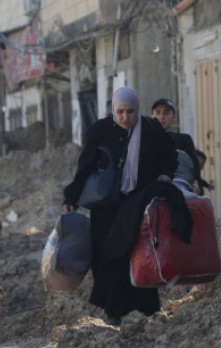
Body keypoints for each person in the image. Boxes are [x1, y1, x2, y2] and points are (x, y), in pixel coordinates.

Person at [63, 87, 179, 326]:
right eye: (120, 112)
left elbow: (170, 154)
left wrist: (166, 174)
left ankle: (146, 308)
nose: (126, 117)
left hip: (137, 202)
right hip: (106, 205)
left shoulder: (150, 129)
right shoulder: (100, 130)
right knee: (107, 255)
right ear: (113, 110)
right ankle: (112, 309)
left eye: (130, 112)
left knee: (138, 253)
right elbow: (85, 165)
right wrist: (71, 197)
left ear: (137, 110)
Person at [151, 98, 204, 195]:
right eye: (158, 112)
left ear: (173, 116)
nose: (161, 116)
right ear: (152, 115)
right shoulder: (145, 139)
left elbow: (194, 164)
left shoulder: (184, 140)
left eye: (166, 113)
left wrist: (196, 182)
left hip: (180, 188)